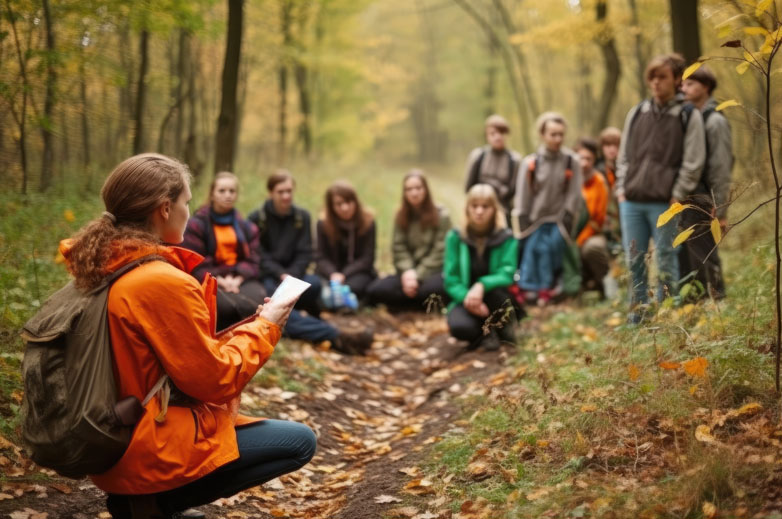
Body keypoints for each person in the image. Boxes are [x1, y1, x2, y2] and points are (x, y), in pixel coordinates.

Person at [58, 153, 314, 518]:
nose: (189, 212)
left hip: (113, 437)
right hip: (146, 447)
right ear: (164, 209)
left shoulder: (105, 264)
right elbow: (215, 380)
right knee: (299, 442)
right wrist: (268, 326)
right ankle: (153, 503)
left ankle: (151, 501)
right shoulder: (159, 281)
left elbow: (183, 355)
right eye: (186, 202)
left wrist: (251, 324)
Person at [615, 53, 706, 320]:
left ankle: (668, 316)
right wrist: (621, 189)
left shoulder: (688, 115)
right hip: (631, 201)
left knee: (666, 259)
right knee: (635, 261)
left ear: (677, 79)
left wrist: (677, 195)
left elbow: (693, 161)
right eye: (652, 77)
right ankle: (638, 316)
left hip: (664, 203)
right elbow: (624, 156)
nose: (655, 82)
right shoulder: (637, 112)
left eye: (662, 77)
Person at [512, 112, 583, 305]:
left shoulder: (572, 161)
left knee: (552, 252)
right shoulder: (531, 163)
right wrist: (523, 222)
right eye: (553, 134)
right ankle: (530, 289)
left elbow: (574, 194)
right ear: (543, 135)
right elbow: (523, 195)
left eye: (561, 134)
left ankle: (549, 289)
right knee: (532, 253)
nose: (558, 139)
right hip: (535, 221)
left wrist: (567, 219)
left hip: (559, 221)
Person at [181, 172, 265, 332]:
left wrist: (238, 279)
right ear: (212, 194)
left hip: (241, 278)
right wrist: (219, 280)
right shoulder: (197, 225)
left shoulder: (246, 226)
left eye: (232, 191)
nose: (228, 195)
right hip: (210, 277)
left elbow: (254, 259)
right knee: (225, 307)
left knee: (256, 303)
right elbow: (195, 261)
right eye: (222, 191)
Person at [444, 184, 520, 351]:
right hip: (465, 300)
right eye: (475, 206)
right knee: (459, 327)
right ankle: (484, 335)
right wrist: (468, 298)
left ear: (494, 209)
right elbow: (451, 279)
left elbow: (507, 273)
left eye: (485, 206)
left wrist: (481, 285)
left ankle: (504, 331)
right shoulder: (455, 237)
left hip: (496, 298)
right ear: (467, 208)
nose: (479, 211)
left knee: (498, 297)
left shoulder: (507, 238)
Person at [680, 65, 732, 299]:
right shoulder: (691, 117)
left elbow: (721, 168)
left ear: (706, 87)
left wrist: (720, 207)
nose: (684, 88)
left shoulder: (715, 121)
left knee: (705, 252)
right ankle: (695, 301)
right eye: (682, 84)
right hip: (688, 195)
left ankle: (717, 300)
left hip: (705, 197)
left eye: (691, 83)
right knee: (689, 253)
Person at [367, 170, 451, 311]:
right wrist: (408, 273)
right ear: (404, 193)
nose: (414, 193)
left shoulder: (441, 215)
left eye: (418, 188)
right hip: (407, 274)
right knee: (376, 290)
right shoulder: (401, 215)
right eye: (409, 189)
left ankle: (408, 304)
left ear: (426, 190)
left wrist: (418, 275)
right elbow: (398, 248)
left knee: (433, 289)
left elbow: (440, 251)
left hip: (432, 273)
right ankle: (417, 304)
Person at [249, 170, 322, 316]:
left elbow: (305, 252)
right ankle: (295, 317)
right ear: (271, 193)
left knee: (315, 284)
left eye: (289, 191)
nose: (286, 196)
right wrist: (280, 274)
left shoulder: (303, 217)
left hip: (295, 275)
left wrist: (291, 276)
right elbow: (259, 254)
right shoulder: (257, 218)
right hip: (270, 276)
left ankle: (287, 313)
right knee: (269, 293)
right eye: (280, 192)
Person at [315, 181, 377, 302]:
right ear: (331, 206)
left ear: (355, 202)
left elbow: (367, 258)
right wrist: (333, 274)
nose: (345, 208)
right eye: (339, 204)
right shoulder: (323, 224)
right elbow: (320, 256)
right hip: (330, 274)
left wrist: (344, 275)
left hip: (357, 273)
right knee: (316, 287)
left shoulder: (368, 222)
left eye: (348, 202)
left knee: (356, 287)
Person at [464, 114, 522, 224]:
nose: (498, 137)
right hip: (478, 212)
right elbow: (468, 187)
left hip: (503, 213)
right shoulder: (478, 156)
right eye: (493, 133)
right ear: (487, 136)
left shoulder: (514, 160)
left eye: (501, 133)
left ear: (507, 135)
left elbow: (513, 191)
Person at [574, 138, 611, 296]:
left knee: (591, 248)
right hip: (569, 232)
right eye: (580, 158)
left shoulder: (599, 182)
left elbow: (598, 220)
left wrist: (579, 240)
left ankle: (606, 287)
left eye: (588, 159)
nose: (584, 163)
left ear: (594, 160)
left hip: (593, 234)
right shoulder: (568, 180)